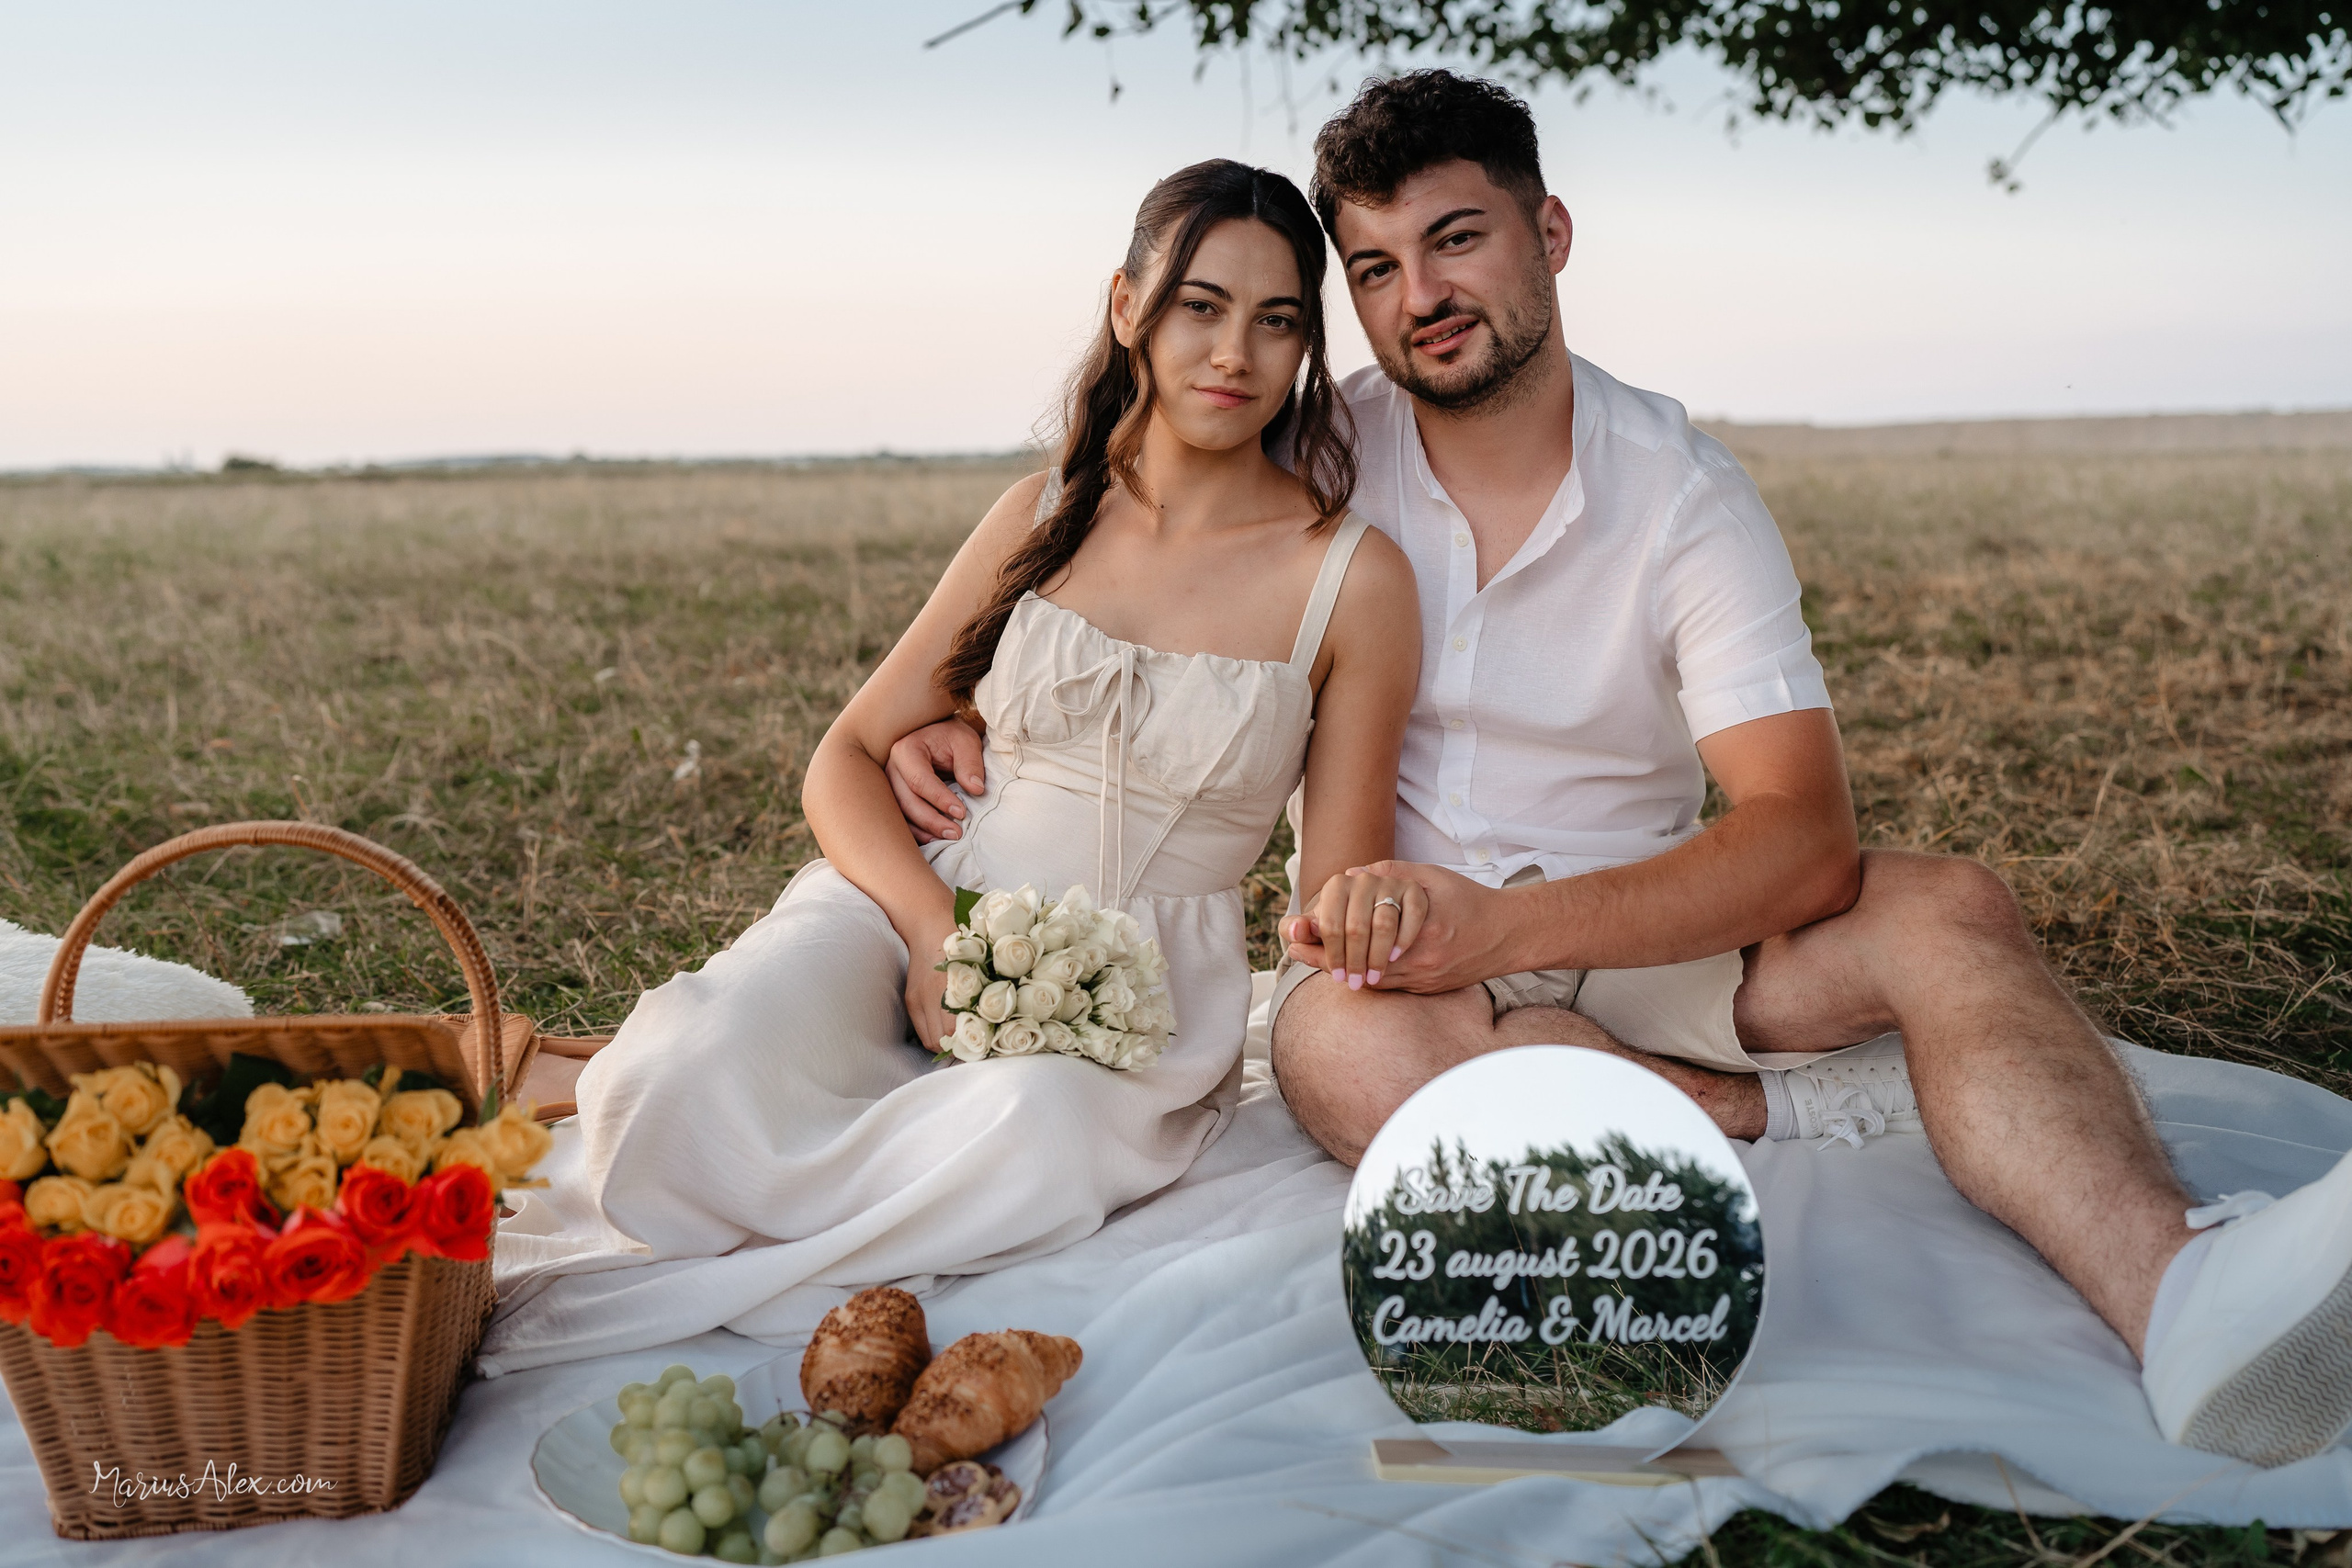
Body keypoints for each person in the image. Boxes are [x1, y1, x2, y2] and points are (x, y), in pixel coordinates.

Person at [887, 73, 2352, 1468]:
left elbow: (1804, 841)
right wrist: (954, 713)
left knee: (1948, 907)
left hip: (1647, 935)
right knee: (1332, 1041)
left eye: (1457, 240)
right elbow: (1119, 545)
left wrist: (1513, 929)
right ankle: (1723, 1128)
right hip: (1402, 979)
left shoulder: (1681, 492)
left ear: (1551, 234)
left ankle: (2183, 1301)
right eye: (1378, 266)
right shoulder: (1314, 450)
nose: (1422, 297)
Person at [482, 158, 1419, 1369]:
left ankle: (785, 1212)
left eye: (1277, 319)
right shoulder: (1041, 514)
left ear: (1304, 347)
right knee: (673, 1078)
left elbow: (1334, 890)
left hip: (1120, 991)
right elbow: (847, 759)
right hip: (920, 901)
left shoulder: (1351, 576)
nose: (1234, 351)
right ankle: (680, 1103)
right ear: (1128, 307)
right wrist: (932, 929)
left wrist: (1384, 944)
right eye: (1201, 303)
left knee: (1027, 1132)